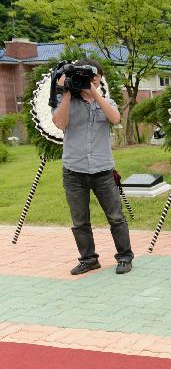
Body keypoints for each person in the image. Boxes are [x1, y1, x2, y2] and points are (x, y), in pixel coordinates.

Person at [51, 58, 133, 275]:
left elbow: (115, 119)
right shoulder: (66, 100)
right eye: (85, 77)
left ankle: (125, 257)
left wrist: (95, 93)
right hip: (74, 171)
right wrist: (67, 93)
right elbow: (60, 123)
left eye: (93, 76)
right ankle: (88, 259)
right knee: (79, 221)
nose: (88, 80)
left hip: (103, 170)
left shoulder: (107, 101)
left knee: (115, 217)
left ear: (98, 78)